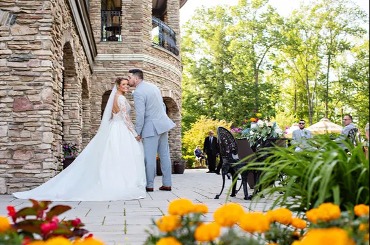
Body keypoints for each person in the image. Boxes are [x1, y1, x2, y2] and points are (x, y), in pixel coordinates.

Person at [13, 78, 146, 201]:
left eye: (127, 84)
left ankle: (113, 179)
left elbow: (112, 117)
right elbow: (126, 118)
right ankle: (120, 183)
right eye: (124, 84)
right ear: (118, 86)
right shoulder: (121, 99)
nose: (127, 86)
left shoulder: (115, 98)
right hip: (121, 128)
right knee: (122, 155)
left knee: (113, 155)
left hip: (113, 127)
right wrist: (134, 133)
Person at [127, 69, 176, 192]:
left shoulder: (138, 92)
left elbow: (140, 114)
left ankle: (149, 185)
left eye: (129, 77)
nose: (128, 80)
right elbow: (163, 106)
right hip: (163, 125)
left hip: (150, 128)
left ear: (136, 78)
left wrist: (138, 132)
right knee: (165, 155)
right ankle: (167, 184)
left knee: (149, 158)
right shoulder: (153, 87)